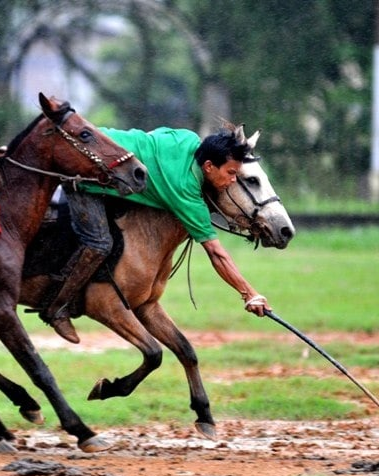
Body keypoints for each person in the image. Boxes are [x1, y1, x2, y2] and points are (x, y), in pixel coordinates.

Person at [41, 126, 272, 344]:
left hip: (93, 135)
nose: (233, 180)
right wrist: (249, 294)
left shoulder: (189, 139)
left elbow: (154, 134)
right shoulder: (186, 191)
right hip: (82, 168)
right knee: (99, 243)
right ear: (209, 166)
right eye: (231, 173)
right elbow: (215, 252)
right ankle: (57, 308)